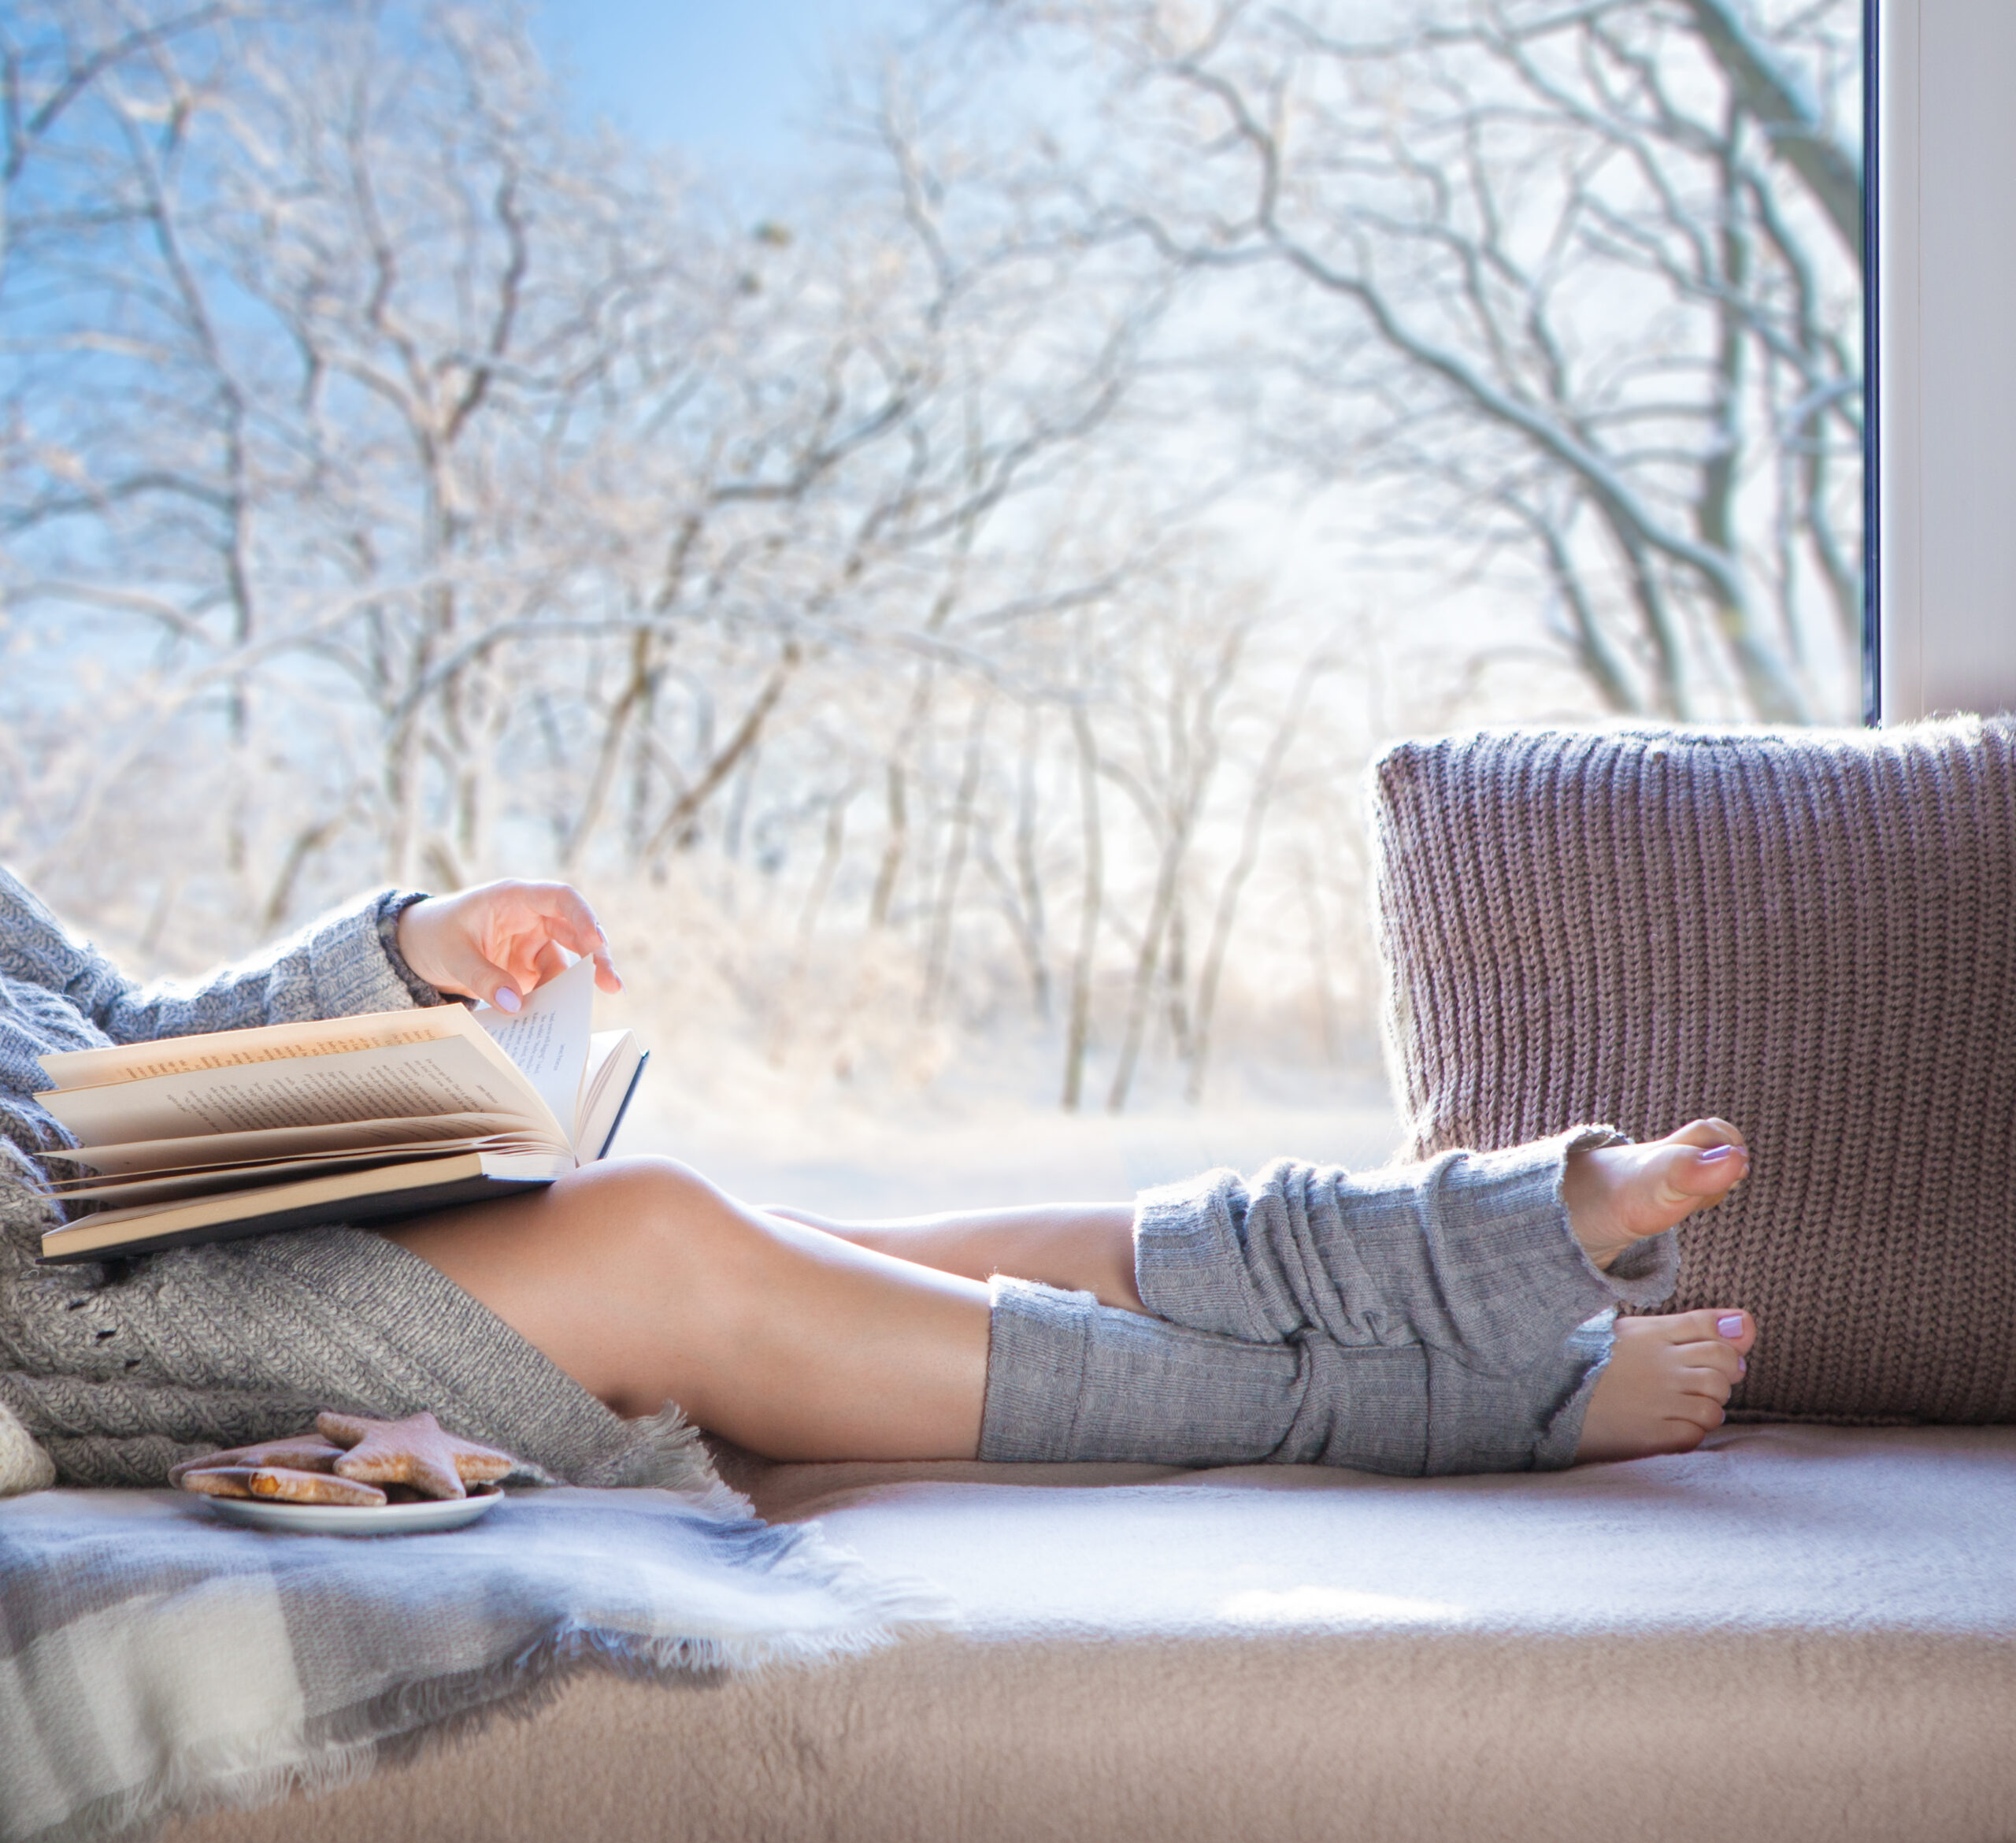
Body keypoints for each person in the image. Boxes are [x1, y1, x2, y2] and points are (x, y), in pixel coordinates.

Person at [0, 872, 1754, 1493]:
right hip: (105, 1321)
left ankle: (1426, 1247)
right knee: (671, 1246)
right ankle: (1442, 1396)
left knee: (822, 1244)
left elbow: (135, 1027)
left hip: (207, 1194)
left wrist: (407, 950)